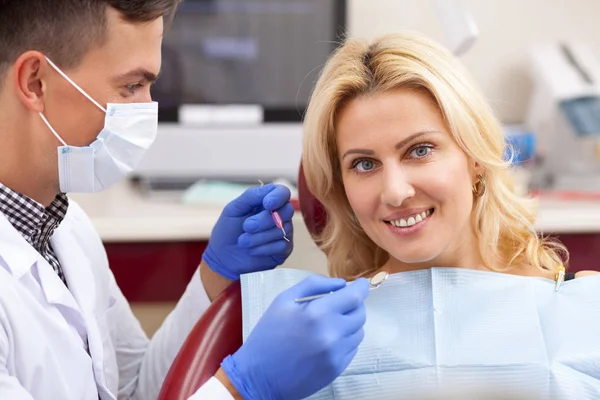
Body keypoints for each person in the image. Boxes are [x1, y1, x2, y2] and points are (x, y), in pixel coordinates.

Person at [0, 1, 369, 399]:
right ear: (36, 82)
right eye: (130, 86)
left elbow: (138, 389)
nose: (146, 110)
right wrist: (241, 387)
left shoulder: (65, 228)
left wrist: (214, 274)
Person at [297, 30, 600, 396]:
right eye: (364, 164)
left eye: (420, 150)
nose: (395, 192)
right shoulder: (314, 339)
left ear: (474, 156)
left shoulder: (582, 306)